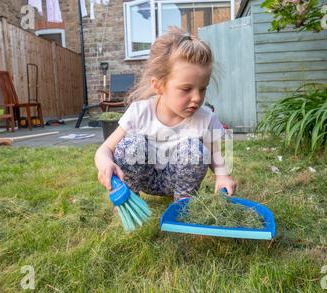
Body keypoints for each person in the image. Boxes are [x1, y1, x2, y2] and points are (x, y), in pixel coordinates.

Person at [95, 26, 237, 202]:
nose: (196, 98)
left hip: (178, 180)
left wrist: (222, 175)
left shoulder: (205, 118)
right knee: (130, 144)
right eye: (186, 89)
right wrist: (106, 164)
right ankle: (129, 198)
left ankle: (183, 202)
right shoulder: (140, 112)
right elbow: (105, 149)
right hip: (143, 177)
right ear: (158, 85)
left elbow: (216, 155)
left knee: (195, 149)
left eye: (202, 89)